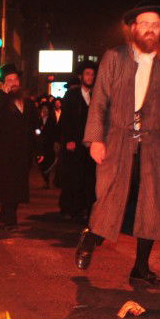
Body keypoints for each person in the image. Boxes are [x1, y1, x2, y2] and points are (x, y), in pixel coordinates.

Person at [75, 4, 160, 288]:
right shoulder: (114, 57)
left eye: (156, 24)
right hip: (118, 141)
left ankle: (140, 268)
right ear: (134, 28)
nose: (150, 28)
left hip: (156, 143)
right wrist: (96, 139)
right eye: (144, 23)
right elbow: (99, 100)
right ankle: (91, 238)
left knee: (152, 204)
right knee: (112, 197)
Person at [0, 64, 38, 231]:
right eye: (9, 80)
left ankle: (7, 212)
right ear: (4, 84)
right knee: (6, 184)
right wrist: (3, 95)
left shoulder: (28, 103)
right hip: (5, 151)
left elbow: (36, 126)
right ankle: (9, 217)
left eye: (15, 79)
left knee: (18, 185)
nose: (13, 83)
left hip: (23, 152)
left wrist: (39, 149)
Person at [55, 62, 96, 222]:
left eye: (92, 74)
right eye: (87, 74)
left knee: (89, 178)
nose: (90, 77)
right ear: (81, 76)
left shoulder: (97, 95)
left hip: (91, 144)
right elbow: (66, 120)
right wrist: (69, 140)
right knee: (73, 177)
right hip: (75, 144)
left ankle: (87, 208)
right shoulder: (72, 95)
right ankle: (70, 208)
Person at [36, 103, 58, 188]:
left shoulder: (52, 120)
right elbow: (36, 131)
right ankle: (46, 180)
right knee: (41, 164)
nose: (44, 111)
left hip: (49, 144)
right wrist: (38, 131)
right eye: (43, 109)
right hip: (40, 146)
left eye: (46, 109)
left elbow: (54, 132)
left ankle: (47, 181)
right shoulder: (39, 120)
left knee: (48, 162)